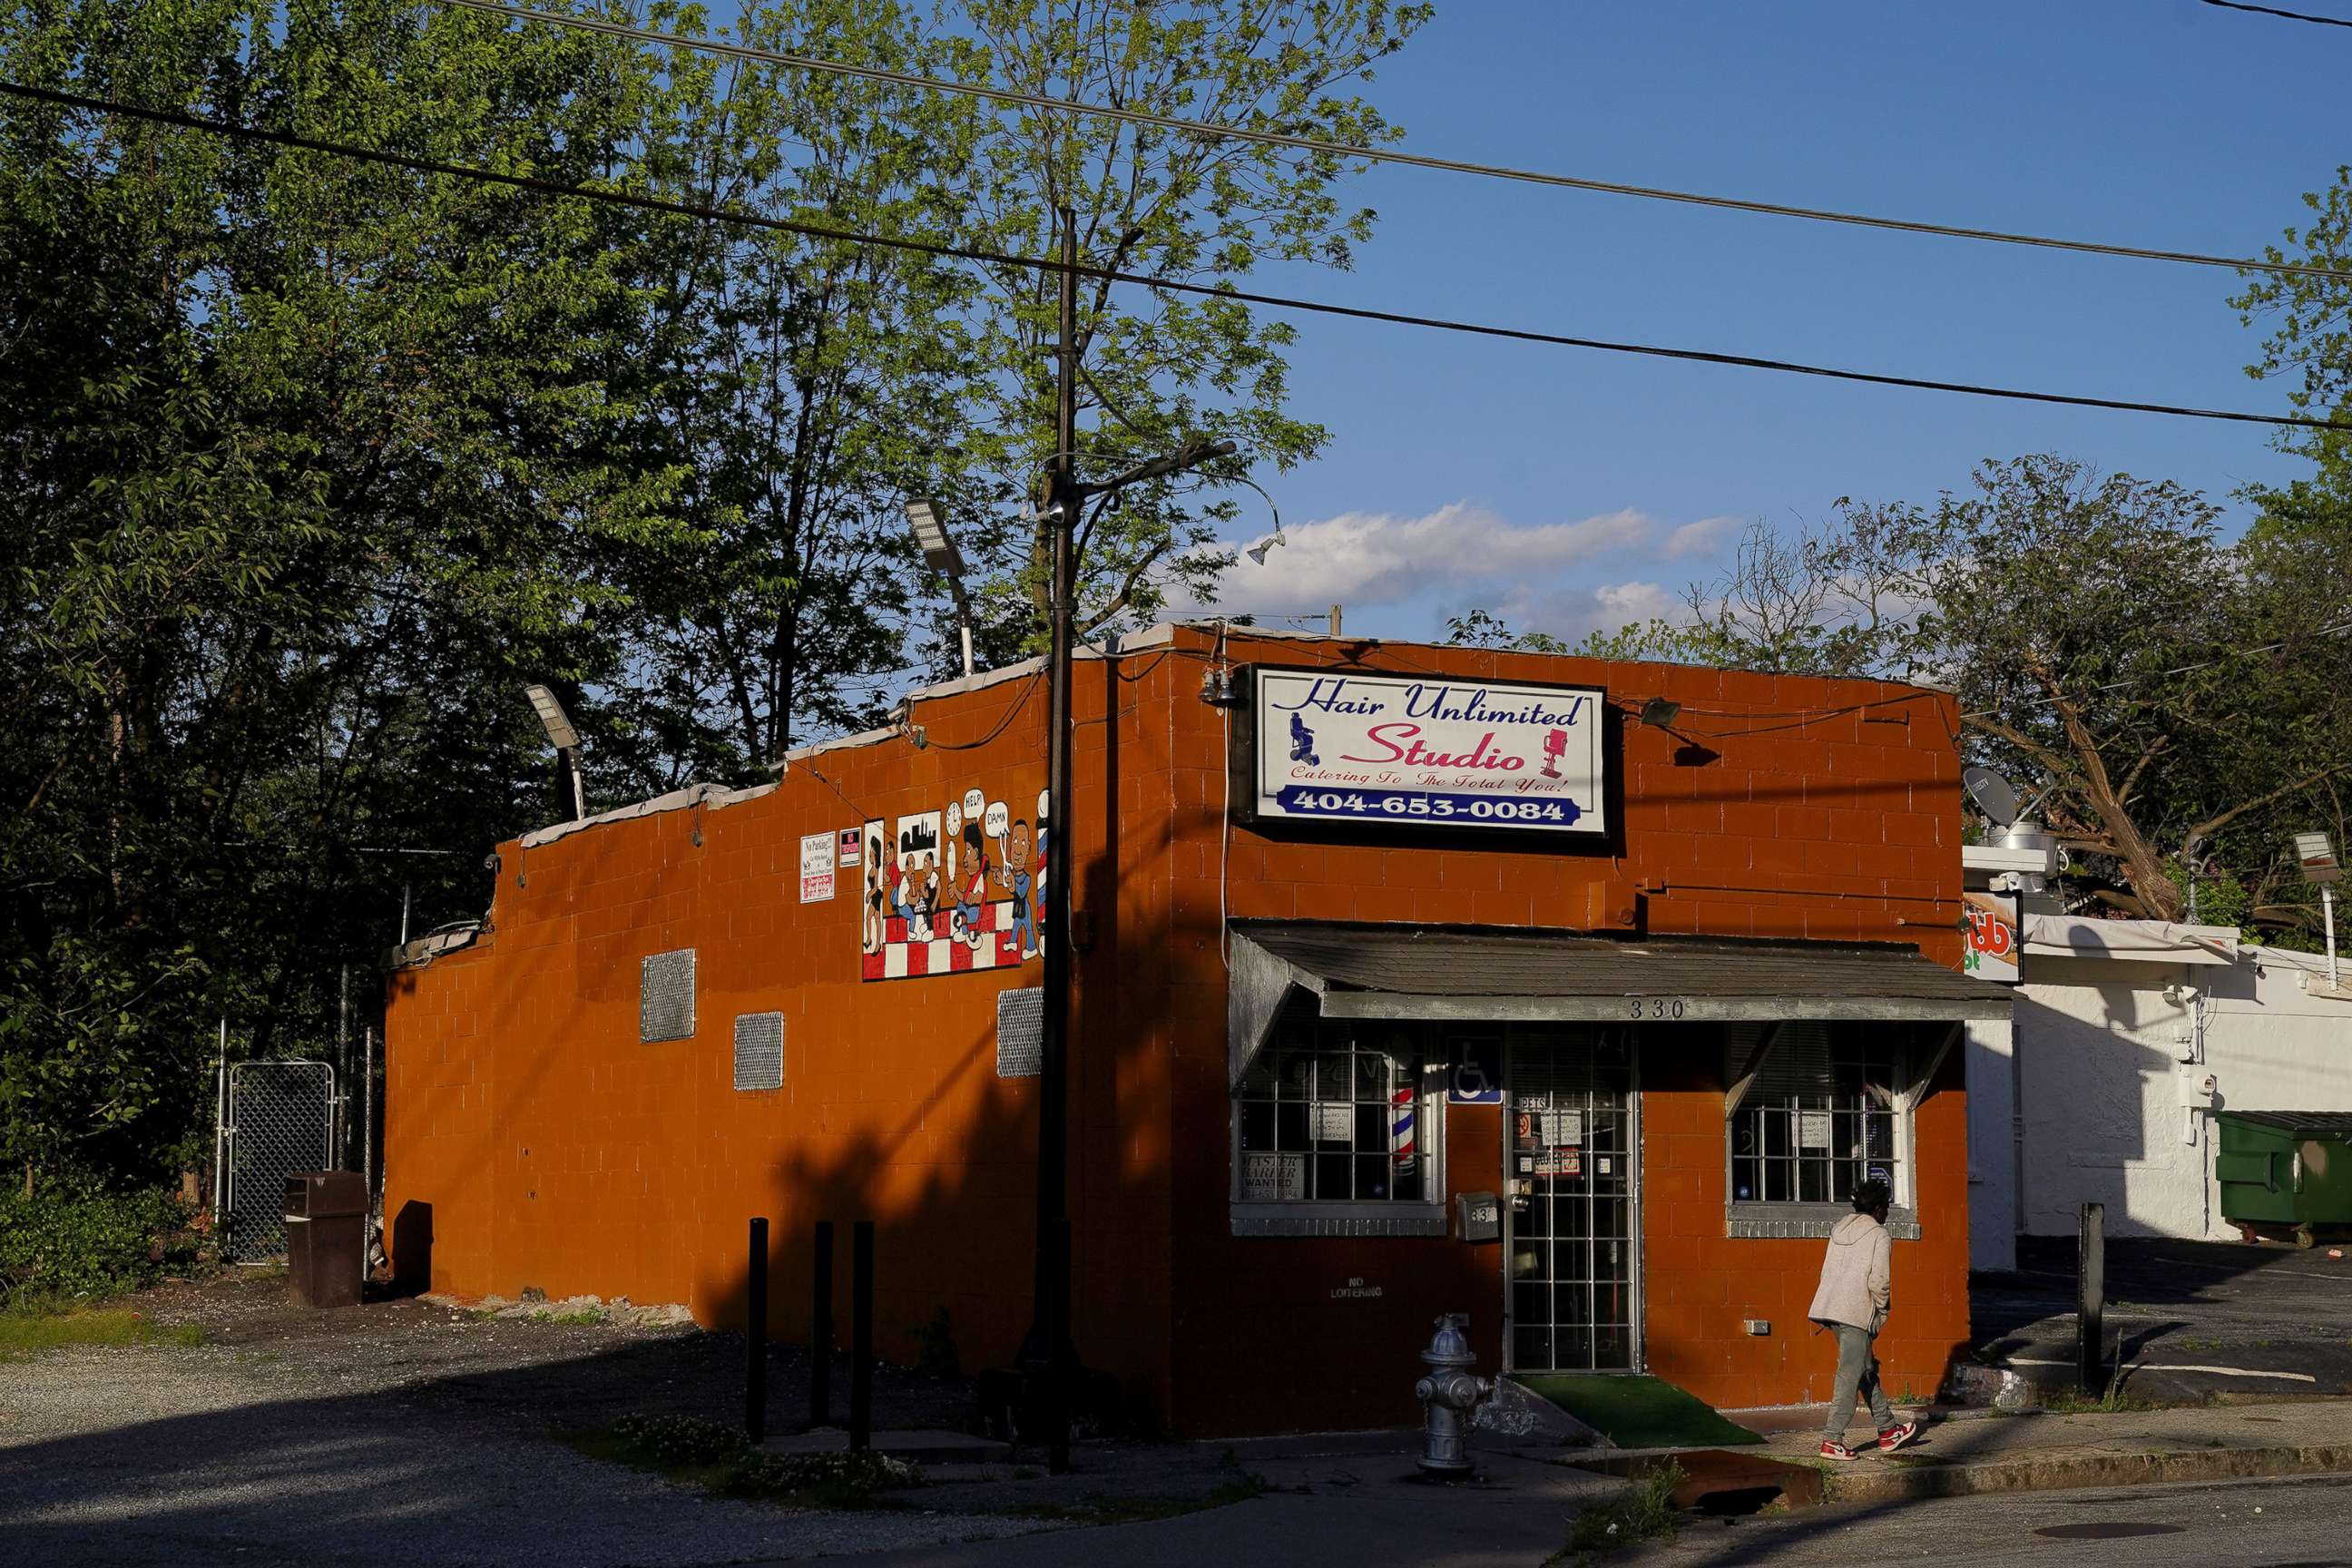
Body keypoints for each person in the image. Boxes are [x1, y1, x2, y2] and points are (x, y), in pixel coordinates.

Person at [1807, 1177, 1918, 1459]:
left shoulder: (1838, 1228)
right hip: (1856, 1313)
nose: (1888, 1214)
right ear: (1878, 1208)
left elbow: (1827, 1272)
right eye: (1887, 1208)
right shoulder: (1880, 1235)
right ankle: (1832, 1440)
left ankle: (1887, 1429)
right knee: (1849, 1375)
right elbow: (1880, 1282)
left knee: (1865, 1371)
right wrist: (1881, 1311)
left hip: (1830, 1309)